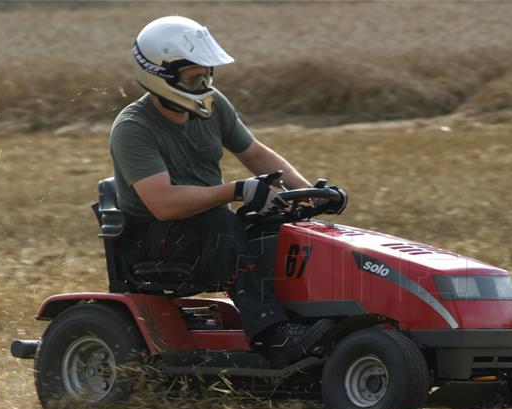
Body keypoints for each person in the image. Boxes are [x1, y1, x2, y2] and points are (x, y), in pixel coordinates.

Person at [109, 16, 346, 367]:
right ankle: (271, 334)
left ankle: (313, 319)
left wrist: (306, 193)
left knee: (277, 223)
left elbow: (255, 153)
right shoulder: (133, 129)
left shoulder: (213, 105)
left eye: (207, 74)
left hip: (200, 226)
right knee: (221, 223)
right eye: (193, 77)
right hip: (150, 241)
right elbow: (164, 204)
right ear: (159, 75)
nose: (204, 83)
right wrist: (236, 190)